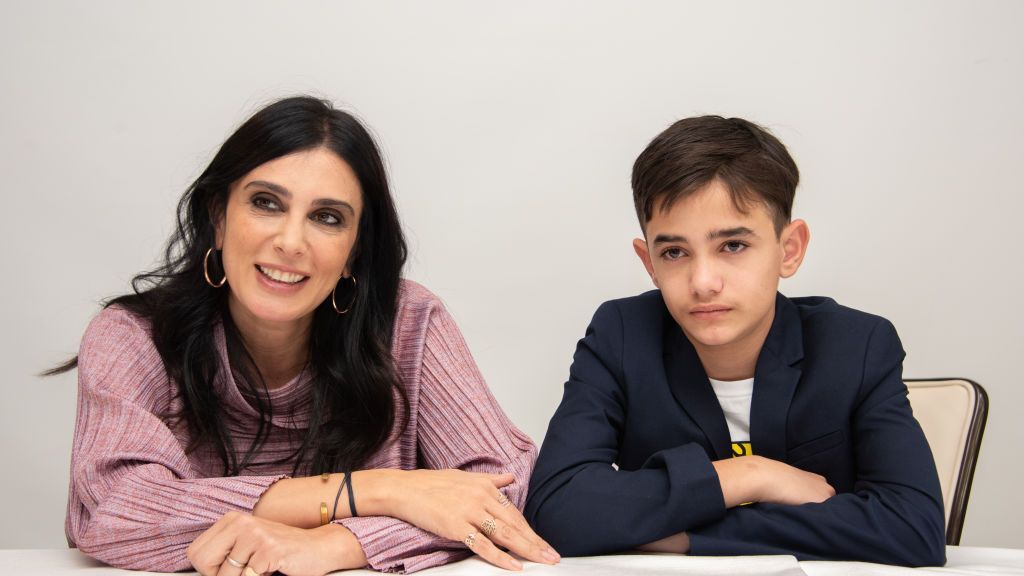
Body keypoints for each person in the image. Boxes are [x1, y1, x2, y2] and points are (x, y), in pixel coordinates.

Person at [56, 96, 560, 575]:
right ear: (218, 216)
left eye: (326, 217)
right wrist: (379, 491)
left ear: (354, 252)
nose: (291, 241)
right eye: (266, 203)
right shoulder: (134, 337)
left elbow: (500, 490)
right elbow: (111, 509)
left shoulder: (408, 321)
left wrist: (333, 544)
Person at [524, 116, 946, 566]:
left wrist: (687, 537)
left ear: (789, 249)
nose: (703, 282)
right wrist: (750, 475)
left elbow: (913, 528)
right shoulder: (622, 334)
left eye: (733, 246)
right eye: (674, 252)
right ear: (648, 262)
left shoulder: (857, 344)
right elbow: (556, 509)